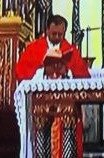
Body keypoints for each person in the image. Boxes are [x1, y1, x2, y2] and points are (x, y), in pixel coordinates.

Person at [15, 14, 90, 158]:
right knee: (42, 136)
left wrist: (67, 71)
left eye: (60, 34)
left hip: (66, 106)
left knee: (67, 133)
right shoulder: (34, 48)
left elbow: (84, 76)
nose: (56, 37)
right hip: (41, 105)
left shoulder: (70, 49)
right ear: (47, 31)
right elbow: (21, 73)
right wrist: (43, 71)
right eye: (54, 33)